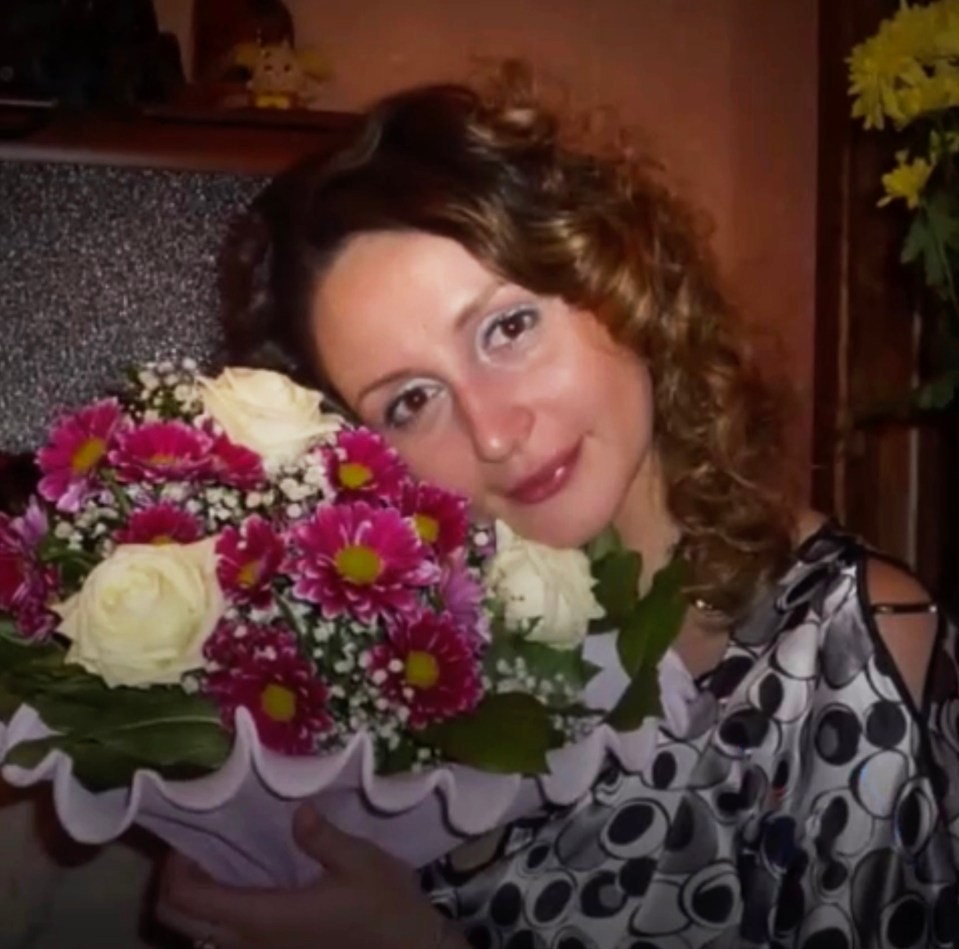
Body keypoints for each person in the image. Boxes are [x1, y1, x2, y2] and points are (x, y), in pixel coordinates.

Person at [157, 65, 959, 948]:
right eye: (410, 401)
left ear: (617, 272)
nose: (493, 434)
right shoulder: (402, 666)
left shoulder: (856, 656)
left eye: (506, 327)